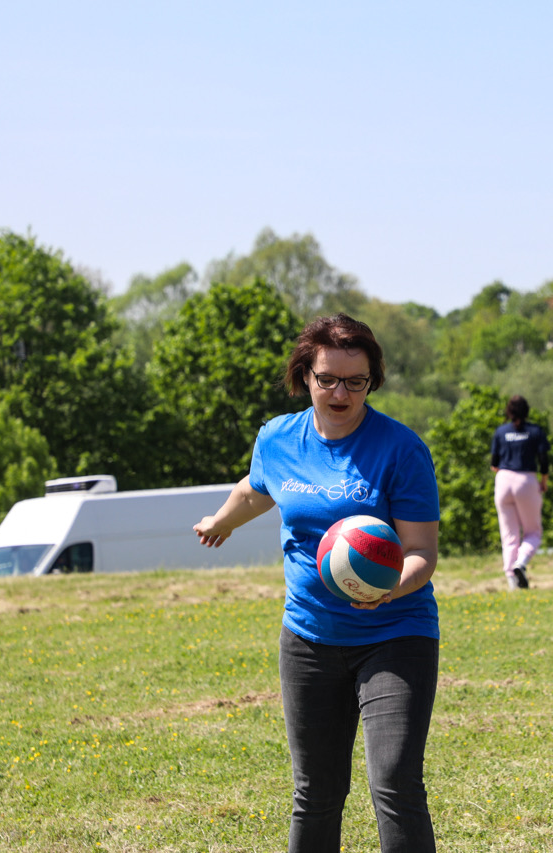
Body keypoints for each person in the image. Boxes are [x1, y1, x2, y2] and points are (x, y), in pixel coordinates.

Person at [193, 313, 441, 853]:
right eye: (327, 379)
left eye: (356, 381)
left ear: (372, 381)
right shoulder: (278, 438)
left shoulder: (401, 450)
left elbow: (422, 552)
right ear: (305, 375)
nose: (341, 393)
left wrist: (388, 589)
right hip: (308, 639)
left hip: (395, 634)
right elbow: (257, 489)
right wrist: (221, 520)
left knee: (394, 783)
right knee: (316, 792)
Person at [490, 395, 550, 590]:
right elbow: (544, 460)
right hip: (526, 480)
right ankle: (521, 563)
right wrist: (543, 481)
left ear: (508, 411)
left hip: (503, 480)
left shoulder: (501, 431)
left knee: (509, 535)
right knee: (533, 532)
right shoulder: (535, 431)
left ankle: (512, 582)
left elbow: (494, 464)